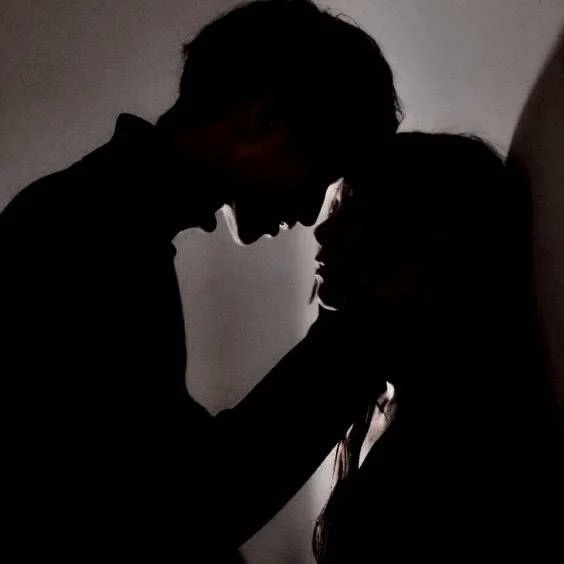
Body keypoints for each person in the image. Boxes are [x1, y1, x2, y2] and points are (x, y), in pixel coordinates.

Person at [0, 1, 404, 560]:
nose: (313, 213)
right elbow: (185, 507)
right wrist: (359, 340)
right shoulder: (88, 235)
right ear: (263, 122)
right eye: (320, 172)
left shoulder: (88, 218)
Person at [311, 132, 563, 562]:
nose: (322, 229)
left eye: (351, 211)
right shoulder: (382, 401)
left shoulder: (469, 451)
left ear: (426, 241)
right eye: (335, 209)